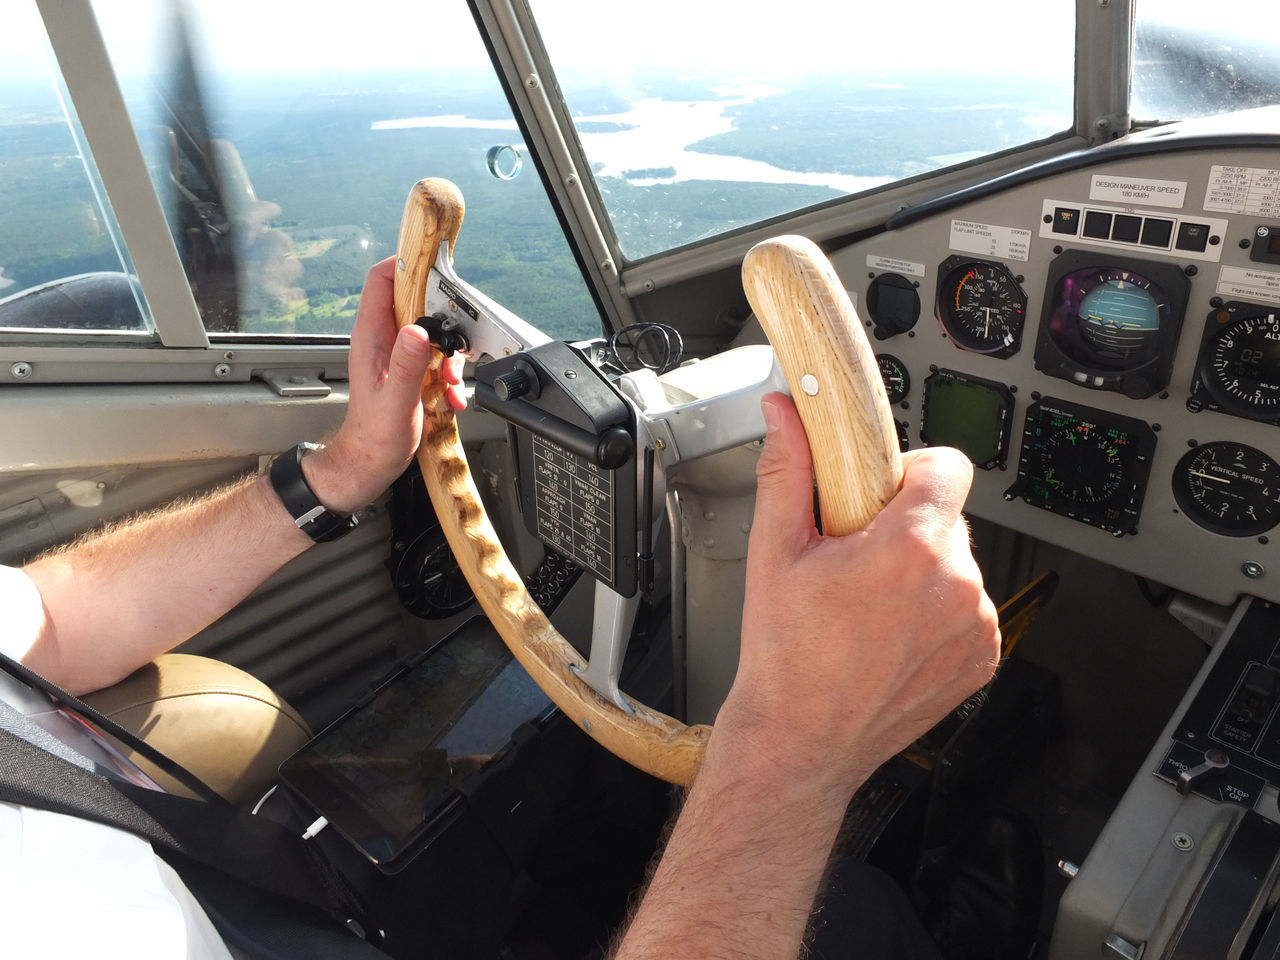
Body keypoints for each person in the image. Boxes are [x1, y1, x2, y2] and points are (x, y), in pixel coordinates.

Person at [0, 257, 999, 960]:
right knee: (853, 913)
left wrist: (343, 470)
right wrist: (794, 753)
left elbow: (49, 618)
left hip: (278, 887)